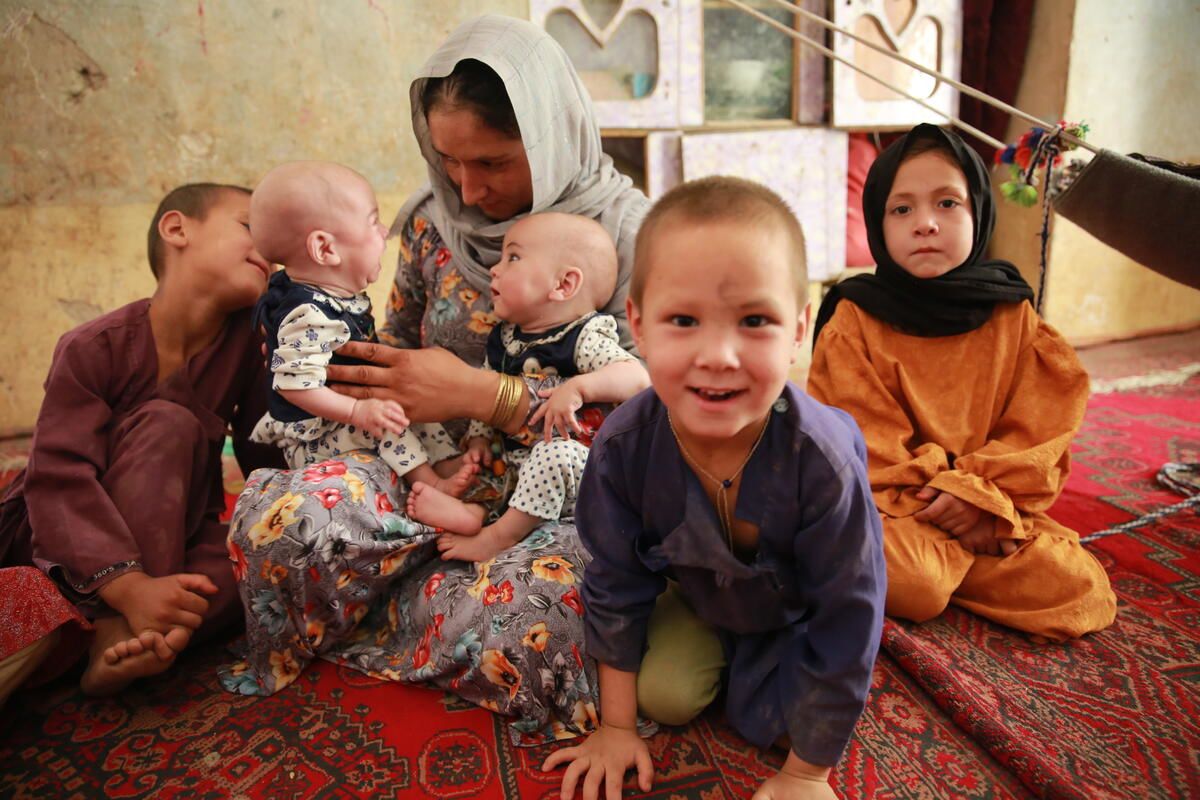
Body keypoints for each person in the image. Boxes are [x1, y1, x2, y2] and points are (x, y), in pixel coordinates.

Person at [221, 15, 652, 746]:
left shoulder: (628, 233)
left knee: (540, 621)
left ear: (549, 136)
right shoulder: (430, 222)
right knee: (286, 524)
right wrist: (395, 426)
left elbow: (657, 405)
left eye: (492, 162)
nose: (466, 186)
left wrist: (487, 396)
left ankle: (404, 597)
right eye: (448, 160)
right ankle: (420, 582)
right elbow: (389, 345)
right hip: (427, 474)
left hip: (560, 500)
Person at [543, 177, 887, 800]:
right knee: (665, 700)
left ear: (800, 327)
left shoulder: (823, 462)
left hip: (795, 608)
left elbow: (849, 610)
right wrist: (618, 729)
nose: (719, 355)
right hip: (698, 592)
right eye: (684, 320)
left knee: (796, 722)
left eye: (755, 320)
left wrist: (808, 774)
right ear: (638, 326)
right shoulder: (623, 447)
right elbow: (617, 584)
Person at [807, 123, 1117, 640]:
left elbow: (1039, 432)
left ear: (979, 209)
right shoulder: (856, 319)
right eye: (901, 209)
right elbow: (864, 449)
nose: (925, 223)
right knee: (916, 582)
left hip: (986, 504)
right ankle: (947, 566)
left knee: (1079, 590)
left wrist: (981, 498)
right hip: (898, 512)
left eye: (947, 204)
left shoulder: (1012, 312)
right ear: (877, 222)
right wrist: (956, 504)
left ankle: (937, 566)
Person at [0, 183, 283, 695]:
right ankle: (115, 623)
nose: (269, 252)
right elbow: (57, 478)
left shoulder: (248, 341)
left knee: (270, 556)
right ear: (177, 229)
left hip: (176, 539)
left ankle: (126, 633)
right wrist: (126, 586)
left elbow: (265, 452)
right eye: (250, 228)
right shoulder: (92, 346)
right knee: (168, 423)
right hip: (68, 543)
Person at [408, 212, 648, 563]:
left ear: (563, 285)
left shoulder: (583, 336)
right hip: (520, 467)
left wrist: (580, 387)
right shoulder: (504, 338)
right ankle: (473, 510)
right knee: (428, 419)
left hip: (582, 469)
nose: (495, 268)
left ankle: (498, 534)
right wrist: (477, 438)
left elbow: (637, 378)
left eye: (513, 257)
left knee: (554, 455)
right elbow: (483, 396)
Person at [247, 161, 477, 497]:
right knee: (386, 422)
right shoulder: (308, 313)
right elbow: (293, 386)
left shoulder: (330, 296)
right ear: (325, 249)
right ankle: (431, 485)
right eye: (373, 222)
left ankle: (444, 466)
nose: (384, 232)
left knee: (412, 404)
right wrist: (358, 411)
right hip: (318, 434)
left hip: (342, 417)